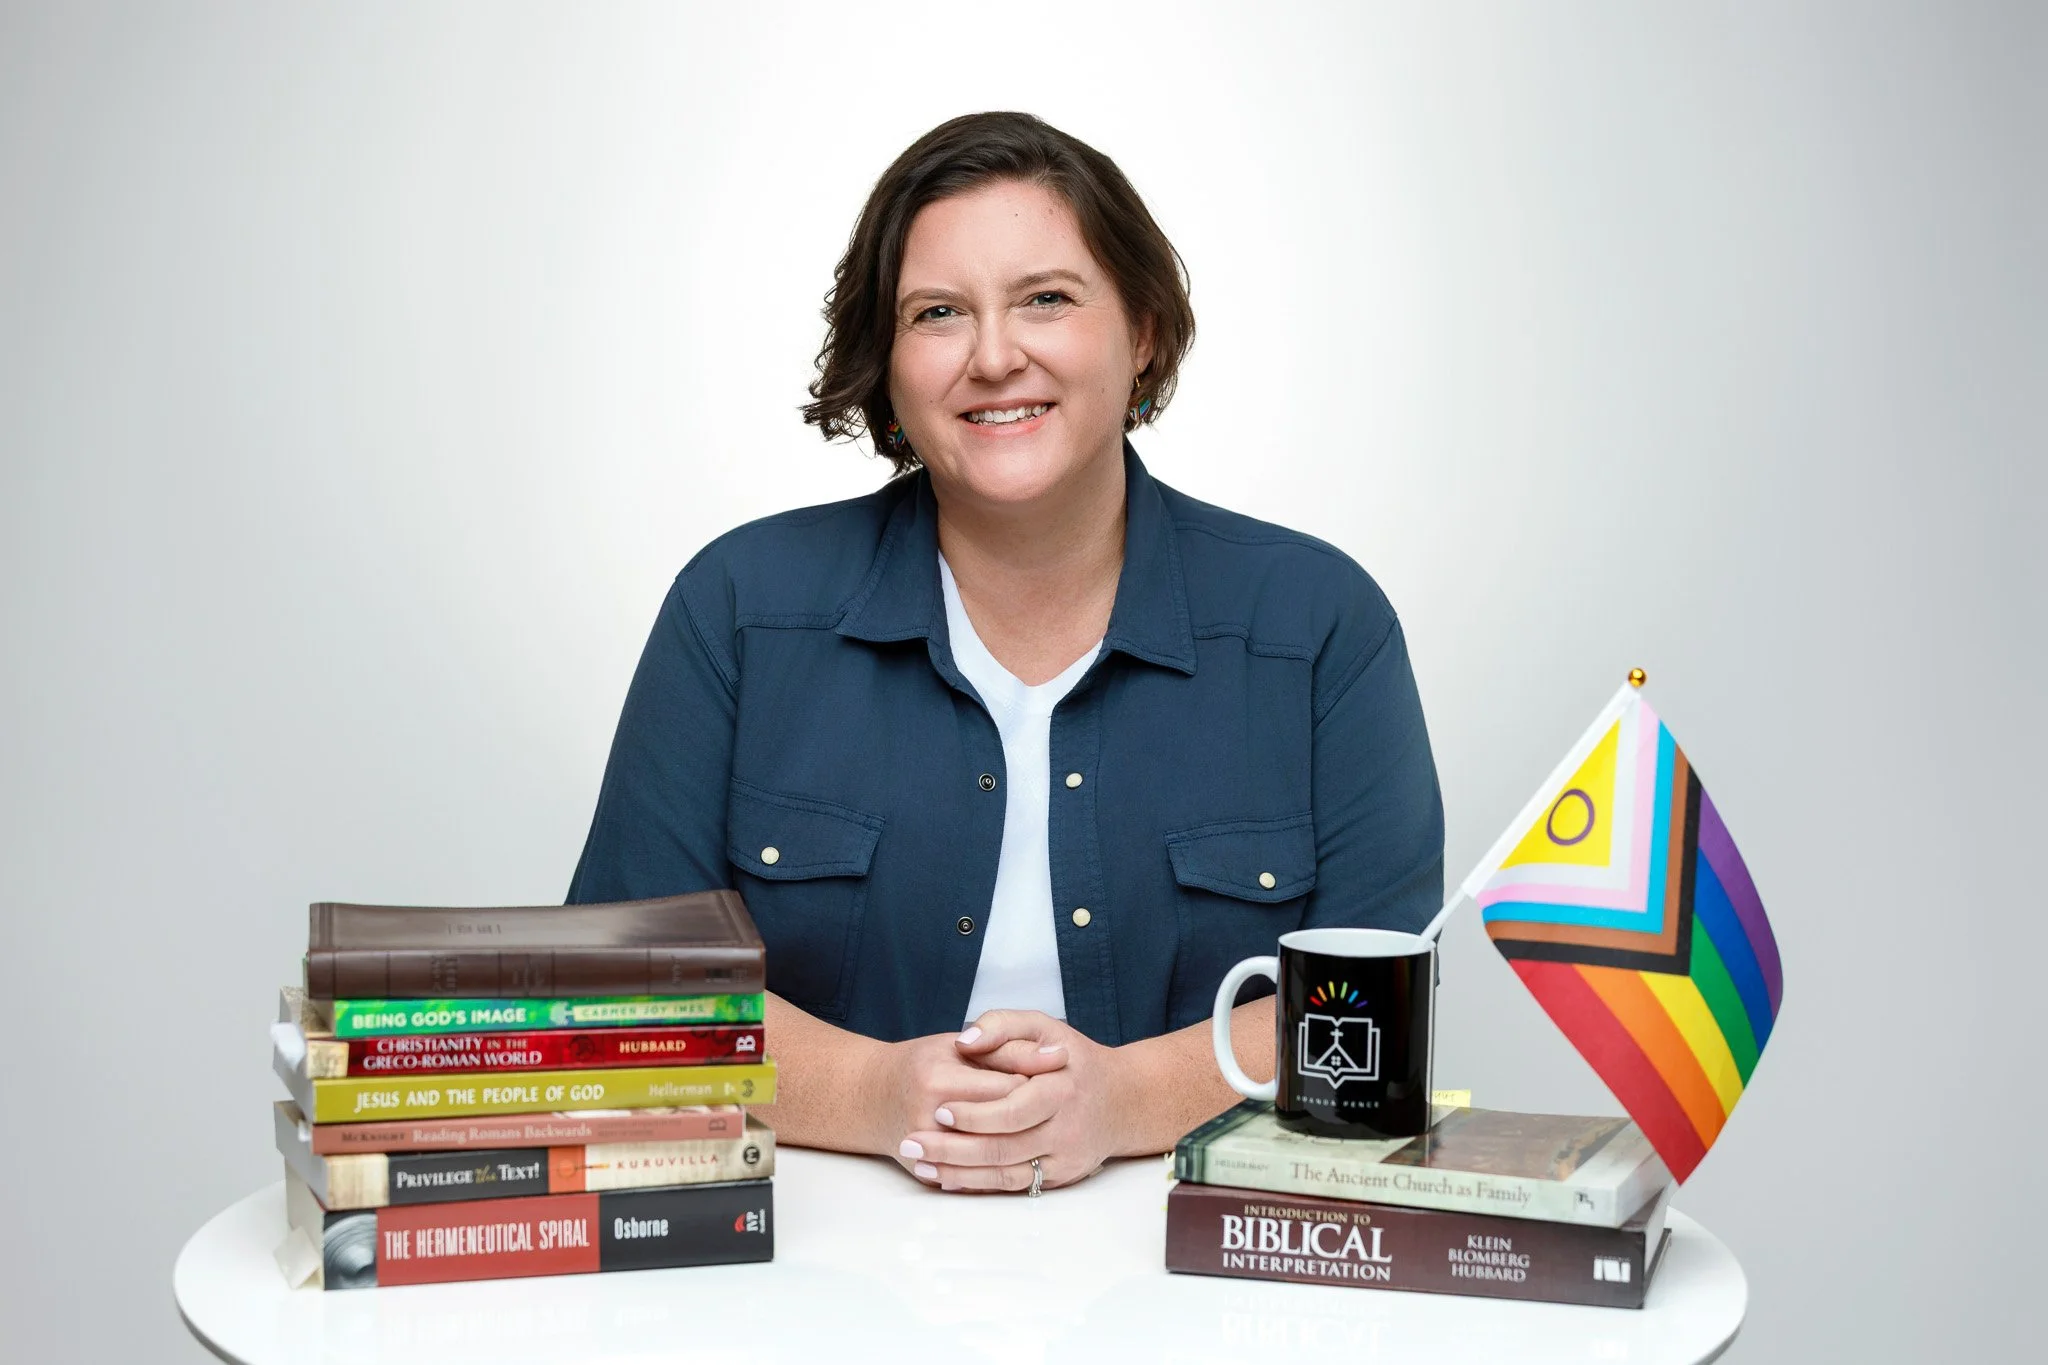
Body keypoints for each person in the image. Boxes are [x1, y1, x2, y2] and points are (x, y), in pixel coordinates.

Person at [567, 111, 1443, 1195]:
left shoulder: (1316, 625)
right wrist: (878, 1094)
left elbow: (1377, 1017)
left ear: (1145, 333)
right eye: (938, 314)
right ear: (886, 367)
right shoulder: (739, 608)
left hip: (1196, 1270)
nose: (993, 356)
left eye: (1046, 299)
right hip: (812, 1267)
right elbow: (616, 988)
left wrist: (1123, 1100)